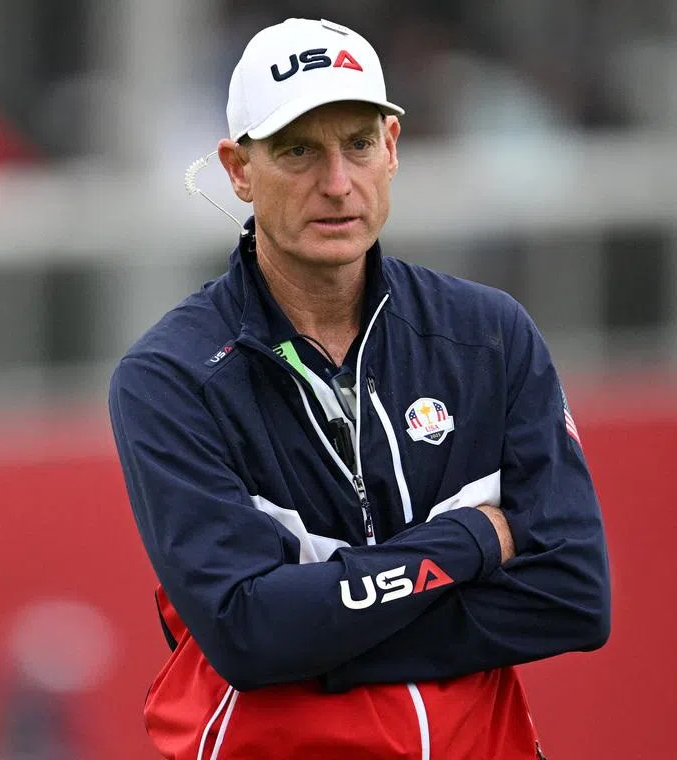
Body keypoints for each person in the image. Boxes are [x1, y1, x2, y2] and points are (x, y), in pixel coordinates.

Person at [109, 17, 610, 760]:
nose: (337, 183)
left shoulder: (488, 335)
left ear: (392, 150)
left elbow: (573, 596)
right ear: (238, 170)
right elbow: (248, 634)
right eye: (298, 151)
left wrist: (318, 637)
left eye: (358, 144)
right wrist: (470, 541)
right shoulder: (170, 379)